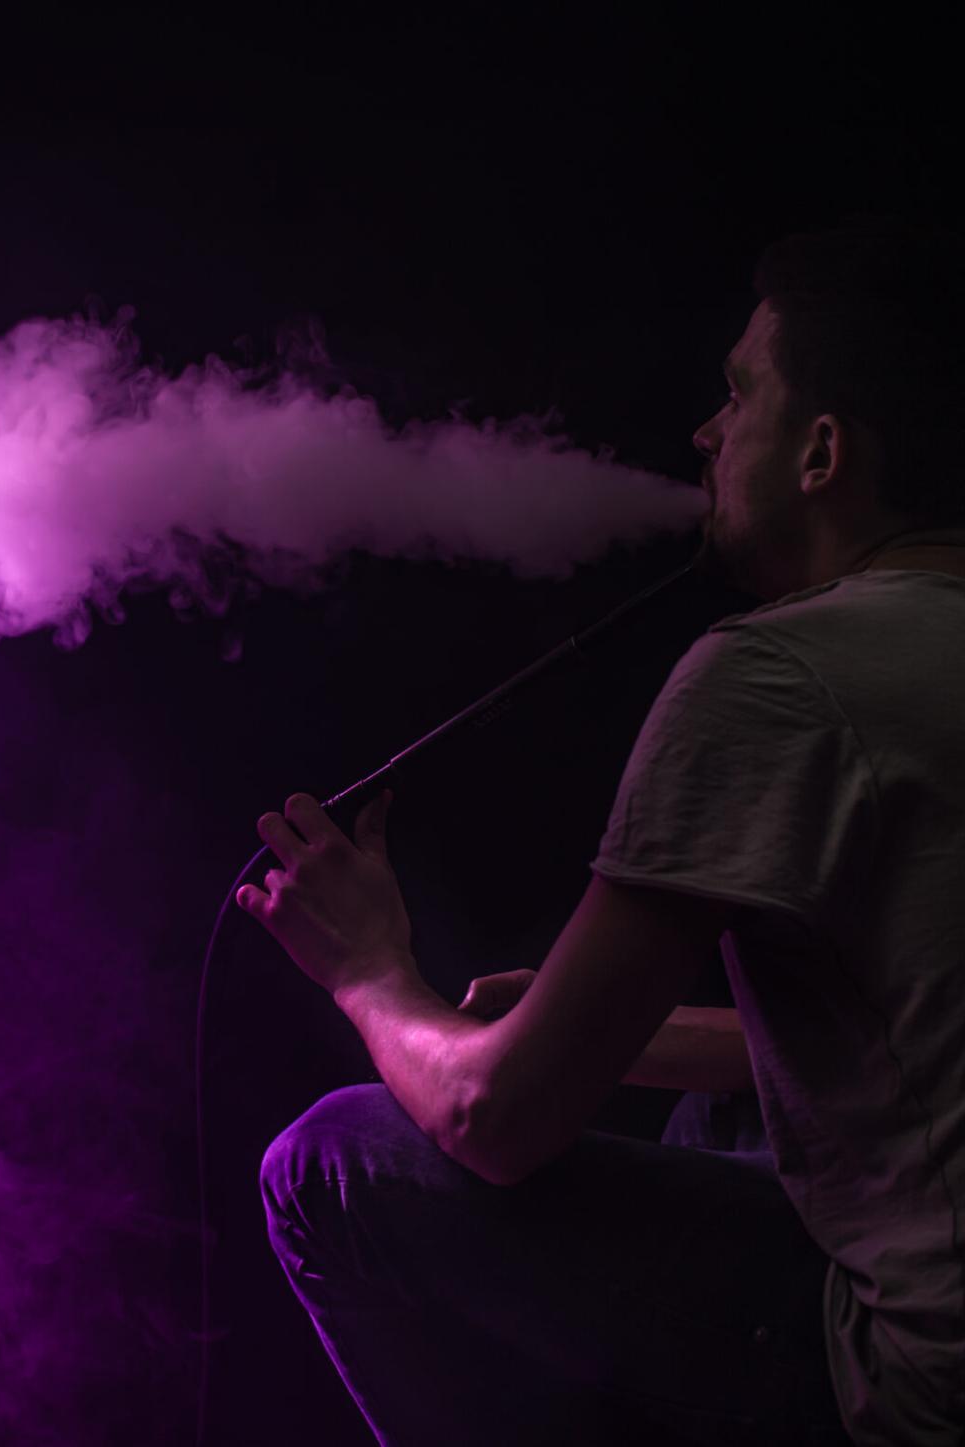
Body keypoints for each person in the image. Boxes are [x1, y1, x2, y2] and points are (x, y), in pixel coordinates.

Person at [242, 215, 965, 1446]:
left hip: (922, 1379)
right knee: (718, 1115)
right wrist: (611, 1030)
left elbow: (495, 1119)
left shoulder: (773, 675)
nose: (706, 434)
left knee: (331, 1162)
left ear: (822, 452)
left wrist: (368, 971)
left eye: (740, 396)